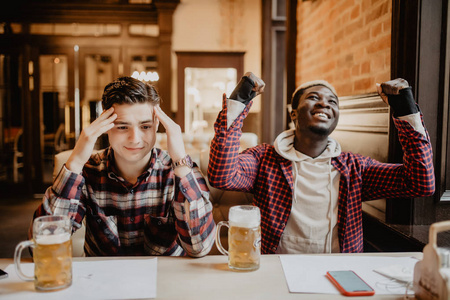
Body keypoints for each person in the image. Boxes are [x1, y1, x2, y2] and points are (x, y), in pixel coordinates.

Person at [208, 72, 435, 254]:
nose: (324, 104)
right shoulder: (265, 159)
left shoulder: (354, 168)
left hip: (338, 271)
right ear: (294, 113)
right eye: (314, 97)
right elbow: (221, 174)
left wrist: (406, 109)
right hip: (276, 269)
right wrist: (238, 100)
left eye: (332, 102)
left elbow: (420, 182)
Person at [31, 77, 215, 257]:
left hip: (165, 279)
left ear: (157, 125)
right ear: (106, 127)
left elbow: (199, 248)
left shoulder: (179, 172)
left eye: (145, 126)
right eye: (122, 127)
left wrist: (180, 162)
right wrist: (76, 162)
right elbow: (40, 247)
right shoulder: (86, 171)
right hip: (102, 281)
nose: (135, 138)